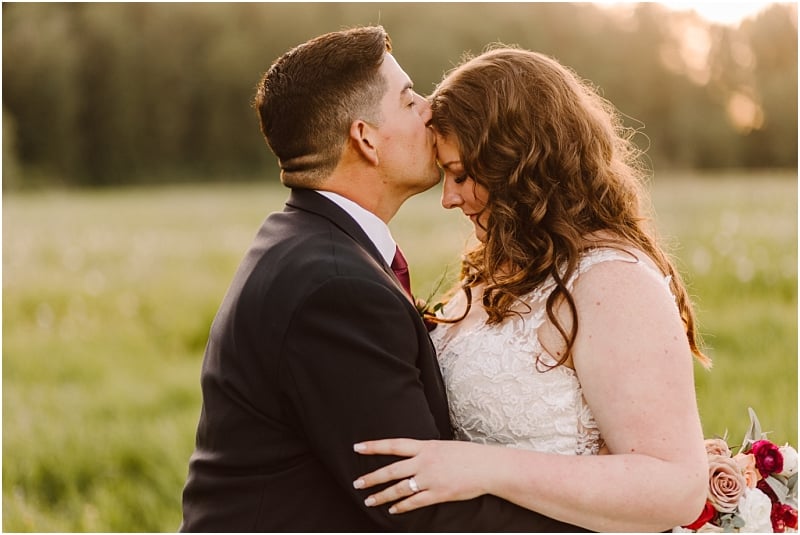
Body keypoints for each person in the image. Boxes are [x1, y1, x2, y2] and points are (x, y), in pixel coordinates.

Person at [180, 27, 585, 531]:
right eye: (410, 99)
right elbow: (419, 509)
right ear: (365, 138)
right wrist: (618, 521)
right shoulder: (334, 287)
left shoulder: (305, 242)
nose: (430, 110)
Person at [352, 46, 711, 532]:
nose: (448, 198)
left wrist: (484, 469)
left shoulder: (613, 280)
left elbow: (675, 486)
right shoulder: (503, 265)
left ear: (520, 164)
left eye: (460, 174)